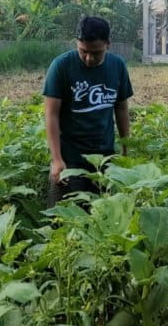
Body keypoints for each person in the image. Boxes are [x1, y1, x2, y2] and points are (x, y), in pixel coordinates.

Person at [42, 16, 133, 206]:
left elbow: (121, 108)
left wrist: (125, 150)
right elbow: (51, 114)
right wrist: (57, 159)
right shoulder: (61, 66)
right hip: (70, 158)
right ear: (76, 43)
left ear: (108, 44)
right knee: (63, 216)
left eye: (96, 53)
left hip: (105, 158)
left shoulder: (117, 66)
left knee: (105, 214)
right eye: (83, 51)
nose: (89, 58)